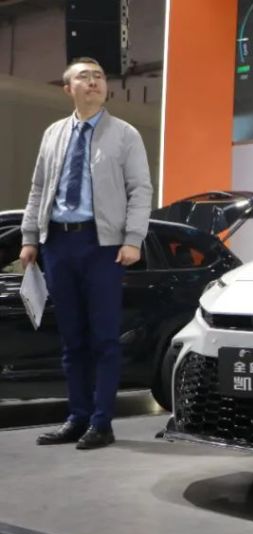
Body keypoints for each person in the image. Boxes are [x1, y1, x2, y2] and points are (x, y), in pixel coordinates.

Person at [19, 57, 153, 450]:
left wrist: (133, 238)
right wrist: (30, 237)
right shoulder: (53, 133)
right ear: (68, 89)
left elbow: (140, 189)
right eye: (84, 77)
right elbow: (38, 188)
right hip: (58, 244)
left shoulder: (125, 134)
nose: (93, 82)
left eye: (99, 77)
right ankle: (77, 417)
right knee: (72, 339)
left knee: (104, 339)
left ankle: (101, 422)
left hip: (103, 245)